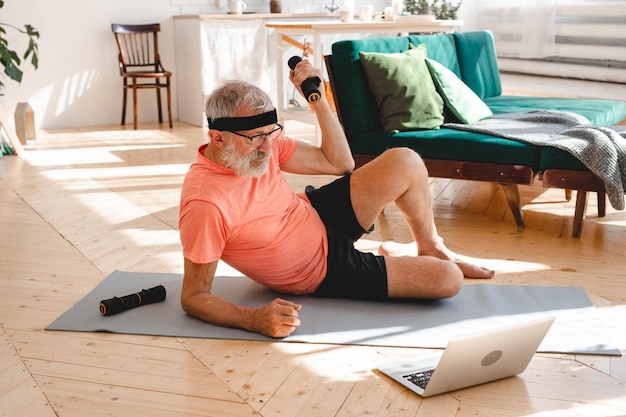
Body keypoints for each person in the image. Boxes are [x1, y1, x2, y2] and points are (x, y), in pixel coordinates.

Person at [179, 59, 495, 338]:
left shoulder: (264, 142)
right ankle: (410, 259)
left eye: (271, 134)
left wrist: (317, 100)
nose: (267, 148)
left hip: (317, 213)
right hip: (322, 269)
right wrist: (252, 318)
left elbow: (340, 163)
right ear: (217, 138)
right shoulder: (205, 204)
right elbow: (193, 296)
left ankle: (431, 246)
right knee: (448, 280)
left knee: (406, 160)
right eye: (255, 139)